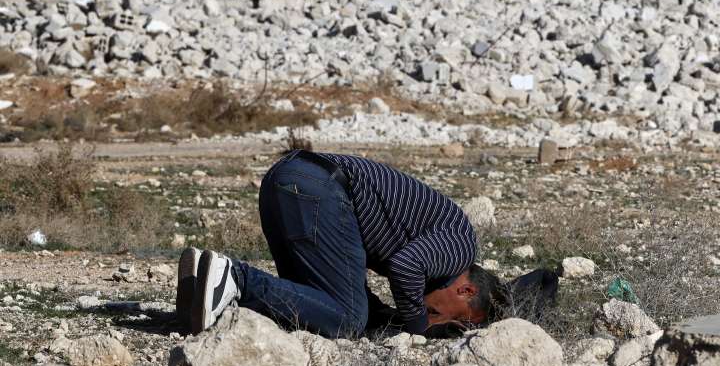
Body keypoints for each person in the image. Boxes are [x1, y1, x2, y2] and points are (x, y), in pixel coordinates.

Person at [176, 150, 504, 338]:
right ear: (466, 291)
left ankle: (202, 290)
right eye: (454, 318)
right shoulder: (461, 248)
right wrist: (418, 328)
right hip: (320, 189)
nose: (440, 320)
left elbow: (350, 273)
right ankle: (234, 278)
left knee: (314, 306)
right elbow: (405, 267)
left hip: (288, 179)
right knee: (348, 319)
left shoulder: (436, 245)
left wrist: (381, 315)